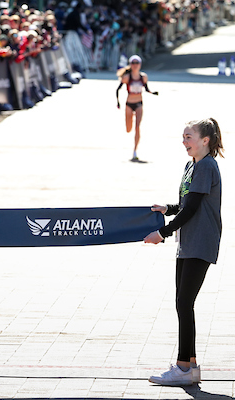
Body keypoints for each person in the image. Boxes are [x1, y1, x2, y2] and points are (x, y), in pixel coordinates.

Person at [144, 118, 224, 386]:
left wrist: (161, 234)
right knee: (183, 303)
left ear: (205, 140)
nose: (184, 141)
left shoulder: (207, 166)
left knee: (183, 303)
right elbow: (185, 204)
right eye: (183, 136)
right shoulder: (192, 166)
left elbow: (191, 210)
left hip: (200, 241)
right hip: (188, 242)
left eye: (189, 136)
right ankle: (189, 366)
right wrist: (167, 208)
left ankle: (182, 367)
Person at [116, 55, 158, 162]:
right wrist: (118, 102)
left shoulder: (143, 77)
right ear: (130, 64)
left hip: (139, 103)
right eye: (133, 63)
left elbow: (146, 88)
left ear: (140, 65)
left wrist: (153, 92)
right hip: (129, 104)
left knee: (137, 127)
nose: (135, 65)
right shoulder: (127, 77)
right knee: (128, 128)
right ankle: (133, 146)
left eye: (137, 63)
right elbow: (118, 89)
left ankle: (135, 151)